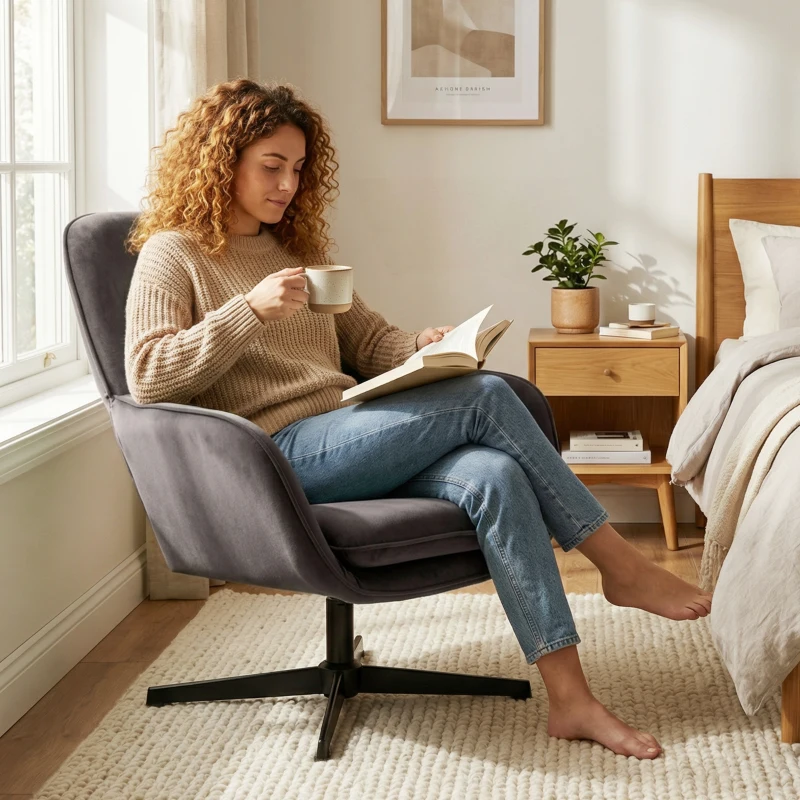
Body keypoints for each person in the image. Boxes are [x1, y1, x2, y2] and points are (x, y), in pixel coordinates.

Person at [125, 79, 711, 760]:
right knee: (489, 397)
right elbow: (149, 375)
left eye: (298, 168)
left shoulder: (297, 251)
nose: (287, 184)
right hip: (274, 459)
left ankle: (572, 701)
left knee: (495, 474)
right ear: (221, 160)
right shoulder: (177, 253)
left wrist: (422, 348)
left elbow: (370, 343)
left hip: (348, 431)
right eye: (271, 166)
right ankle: (618, 562)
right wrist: (246, 311)